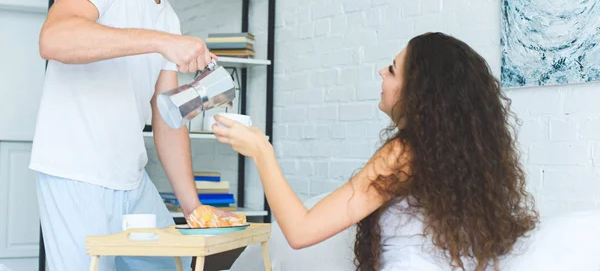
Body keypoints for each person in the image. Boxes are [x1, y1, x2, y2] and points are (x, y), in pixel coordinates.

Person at [29, 0, 241, 271]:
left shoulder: (168, 17)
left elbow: (167, 120)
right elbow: (54, 39)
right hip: (76, 175)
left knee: (175, 266)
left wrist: (194, 208)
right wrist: (161, 42)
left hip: (131, 180)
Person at [212, 32, 539, 271]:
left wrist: (261, 152)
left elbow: (300, 231)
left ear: (419, 92)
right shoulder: (462, 161)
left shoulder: (404, 154)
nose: (382, 73)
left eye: (392, 69)